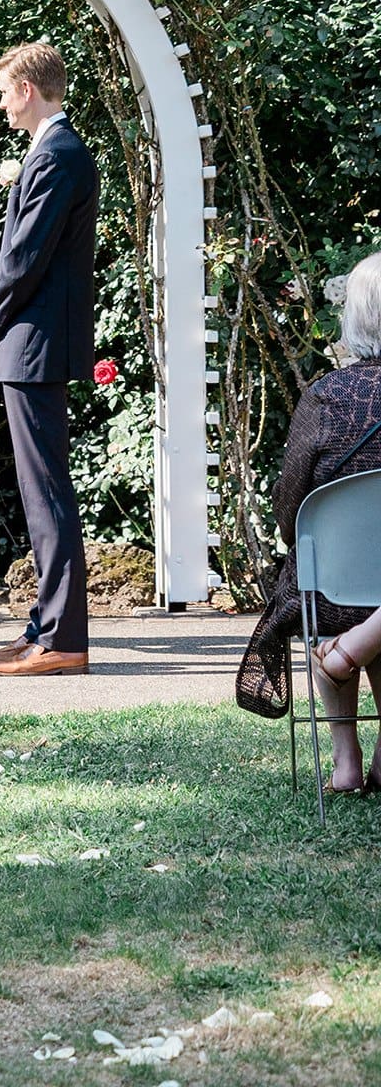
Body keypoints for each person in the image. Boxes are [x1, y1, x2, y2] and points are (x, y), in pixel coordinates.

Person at [0, 42, 99, 677]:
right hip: (33, 341)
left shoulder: (57, 153)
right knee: (40, 490)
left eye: (3, 90)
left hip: (37, 342)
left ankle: (63, 640)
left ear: (26, 89)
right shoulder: (54, 151)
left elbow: (25, 253)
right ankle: (43, 629)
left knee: (46, 492)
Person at [237, 251, 381, 792]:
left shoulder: (325, 396)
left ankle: (345, 763)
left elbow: (290, 503)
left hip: (328, 589)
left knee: (349, 604)